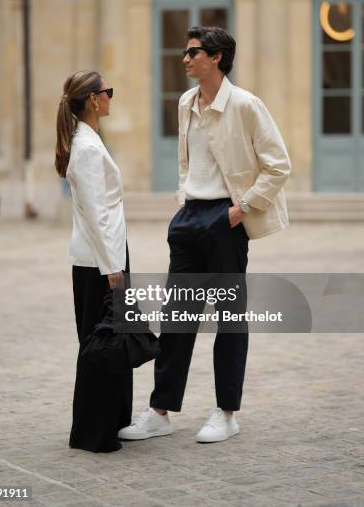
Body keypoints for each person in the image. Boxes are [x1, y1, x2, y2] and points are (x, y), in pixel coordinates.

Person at [119, 26, 291, 443]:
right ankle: (160, 411)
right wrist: (184, 197)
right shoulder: (186, 102)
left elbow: (278, 165)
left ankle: (227, 412)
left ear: (216, 57)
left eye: (193, 52)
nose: (185, 59)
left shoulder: (247, 105)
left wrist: (240, 210)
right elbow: (186, 159)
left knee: (230, 320)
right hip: (190, 217)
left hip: (225, 218)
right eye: (185, 51)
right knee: (177, 318)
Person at [55, 70, 132, 453]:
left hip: (108, 254)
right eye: (107, 92)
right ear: (93, 100)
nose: (110, 98)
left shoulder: (90, 140)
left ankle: (113, 422)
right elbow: (96, 213)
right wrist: (112, 268)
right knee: (100, 344)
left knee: (112, 342)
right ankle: (93, 432)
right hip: (99, 260)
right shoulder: (85, 147)